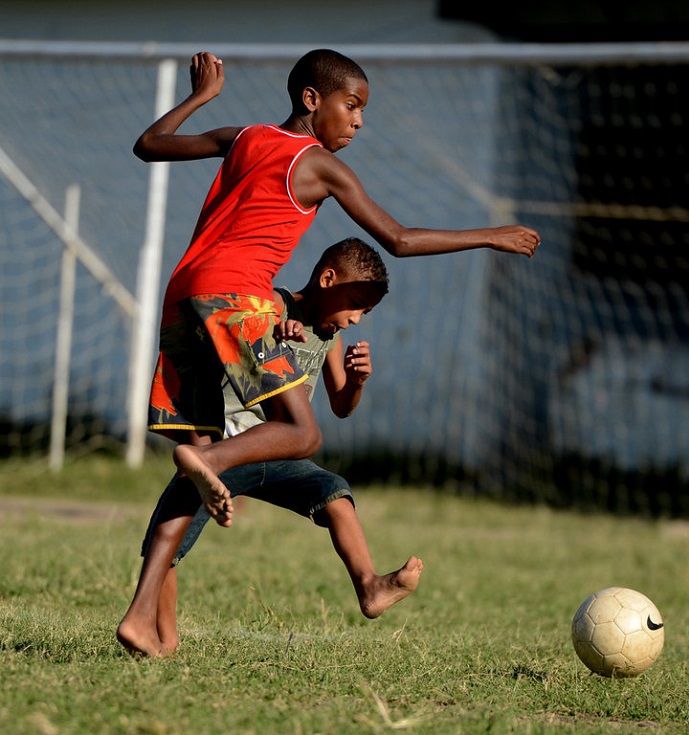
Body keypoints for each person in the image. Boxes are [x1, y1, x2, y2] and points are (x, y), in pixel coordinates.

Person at [138, 49, 541, 528]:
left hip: (185, 289)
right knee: (300, 432)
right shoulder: (321, 166)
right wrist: (491, 235)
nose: (359, 121)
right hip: (234, 294)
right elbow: (399, 239)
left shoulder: (245, 136)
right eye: (352, 105)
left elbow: (150, 144)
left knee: (196, 454)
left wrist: (201, 96)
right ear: (312, 99)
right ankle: (215, 461)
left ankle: (149, 606)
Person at [117, 238, 422, 657]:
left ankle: (369, 586)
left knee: (334, 492)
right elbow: (248, 329)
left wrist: (356, 382)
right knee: (164, 544)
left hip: (281, 454)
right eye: (355, 304)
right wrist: (277, 332)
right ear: (327, 279)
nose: (355, 319)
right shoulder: (272, 306)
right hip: (230, 448)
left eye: (365, 312)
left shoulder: (328, 337)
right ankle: (164, 641)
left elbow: (340, 407)